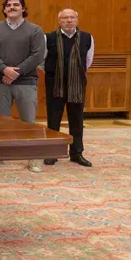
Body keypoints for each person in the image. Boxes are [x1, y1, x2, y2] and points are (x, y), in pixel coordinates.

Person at [0, 0, 45, 172]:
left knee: (28, 121)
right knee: (0, 122)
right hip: (0, 81)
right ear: (4, 9)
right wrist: (4, 69)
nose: (12, 7)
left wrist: (15, 73)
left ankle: (33, 159)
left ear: (23, 8)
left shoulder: (35, 30)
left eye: (16, 5)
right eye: (8, 5)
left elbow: (37, 55)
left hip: (26, 82)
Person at [42, 9, 93, 167]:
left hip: (77, 85)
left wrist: (74, 74)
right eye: (65, 18)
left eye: (72, 17)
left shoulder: (87, 37)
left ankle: (77, 154)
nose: (69, 20)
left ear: (77, 20)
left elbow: (88, 61)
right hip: (55, 84)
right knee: (53, 120)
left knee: (77, 120)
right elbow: (41, 60)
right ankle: (52, 153)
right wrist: (54, 74)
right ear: (59, 20)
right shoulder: (48, 37)